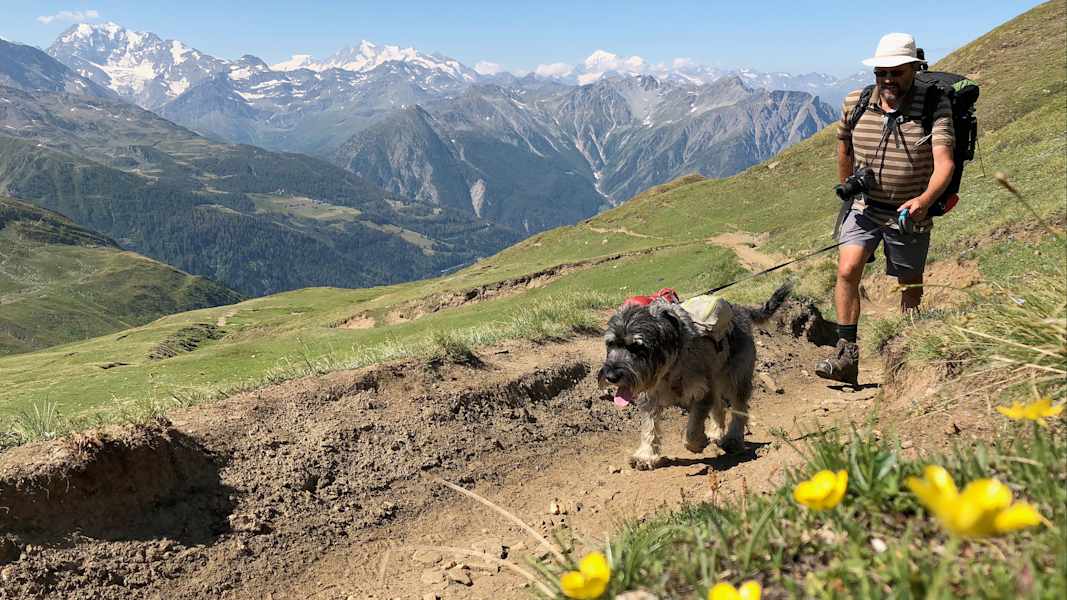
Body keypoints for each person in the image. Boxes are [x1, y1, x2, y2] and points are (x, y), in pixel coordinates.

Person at [815, 33, 955, 385]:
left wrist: (923, 201)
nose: (889, 79)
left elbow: (945, 164)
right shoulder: (856, 101)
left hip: (910, 212)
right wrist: (848, 188)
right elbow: (843, 145)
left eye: (897, 72)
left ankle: (911, 351)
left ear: (914, 69)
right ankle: (846, 355)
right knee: (847, 270)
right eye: (882, 72)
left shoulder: (934, 105)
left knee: (908, 282)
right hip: (864, 207)